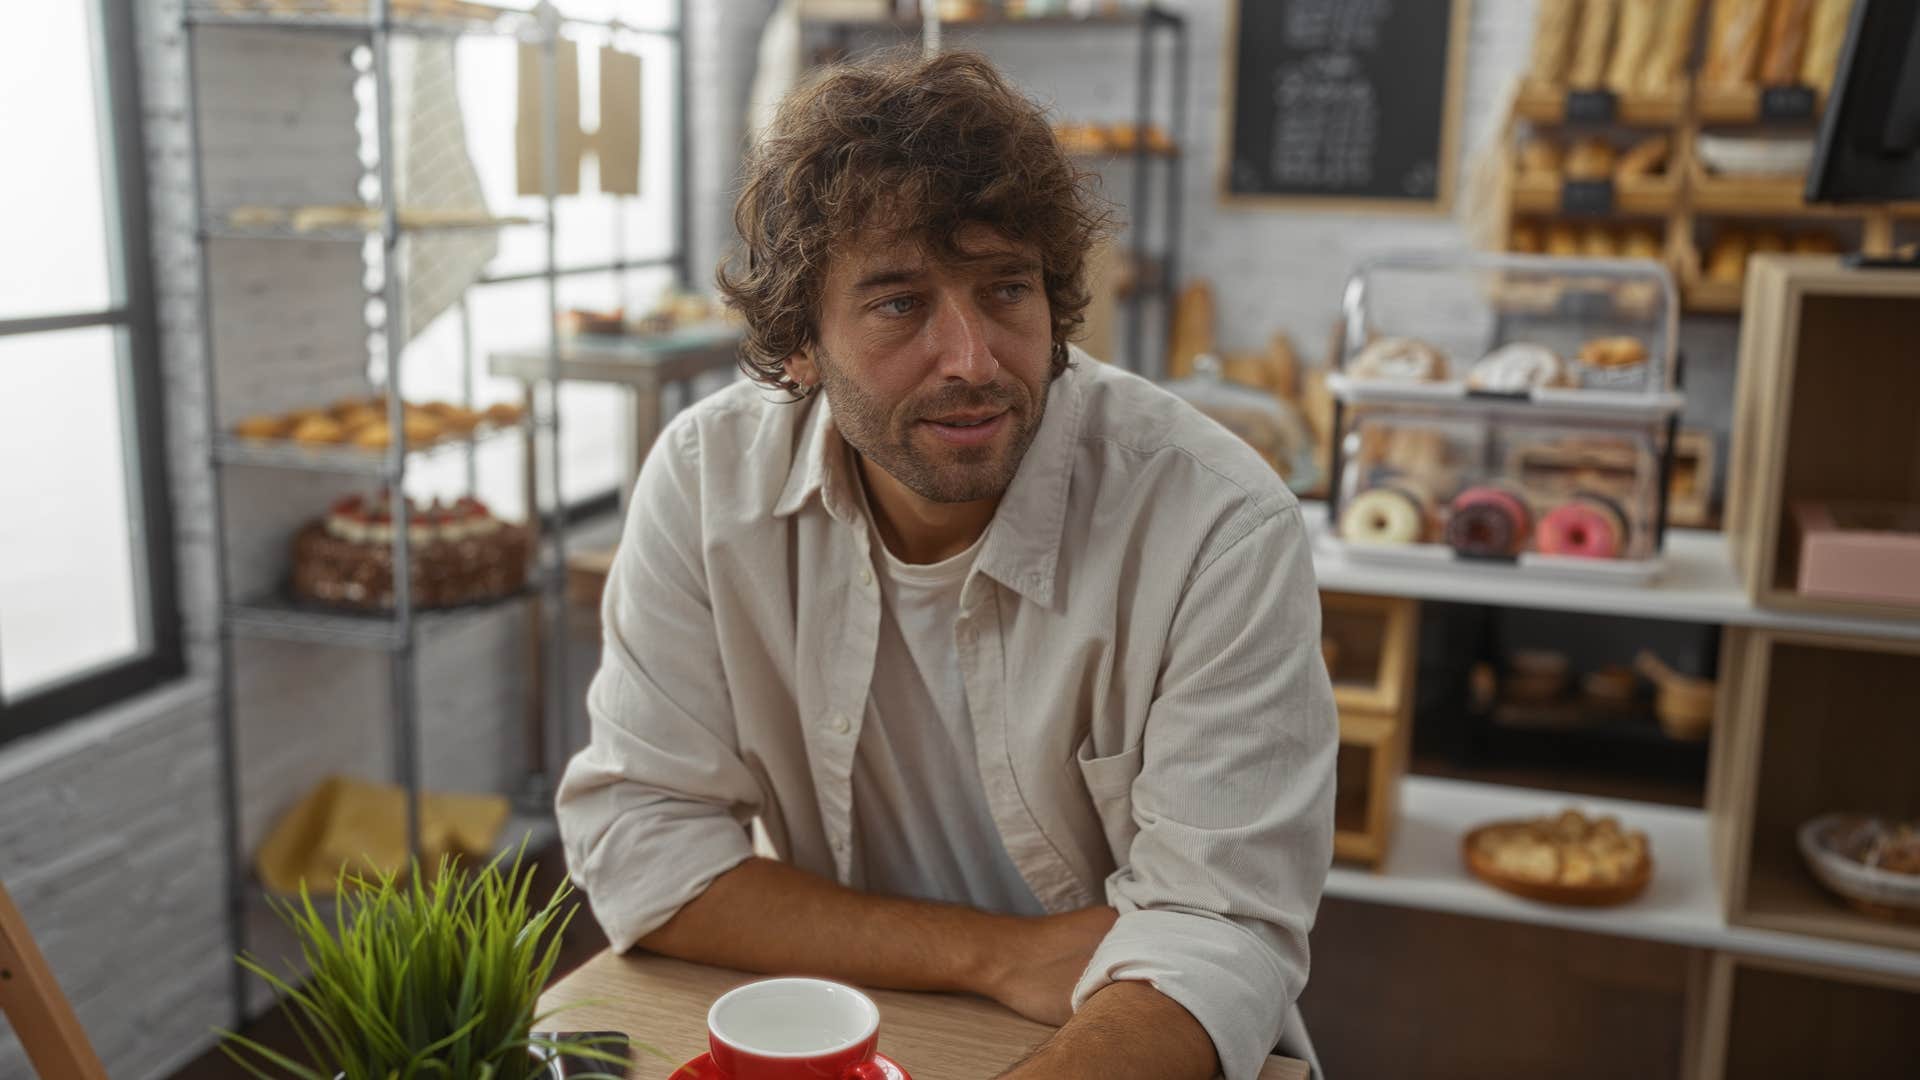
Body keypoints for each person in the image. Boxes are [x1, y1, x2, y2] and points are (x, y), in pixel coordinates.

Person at [556, 49, 1336, 1080]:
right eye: (898, 303)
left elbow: (1217, 934)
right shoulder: (710, 484)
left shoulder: (1216, 524)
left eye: (1005, 289)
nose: (972, 357)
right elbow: (641, 845)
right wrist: (990, 955)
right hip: (858, 1023)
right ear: (799, 344)